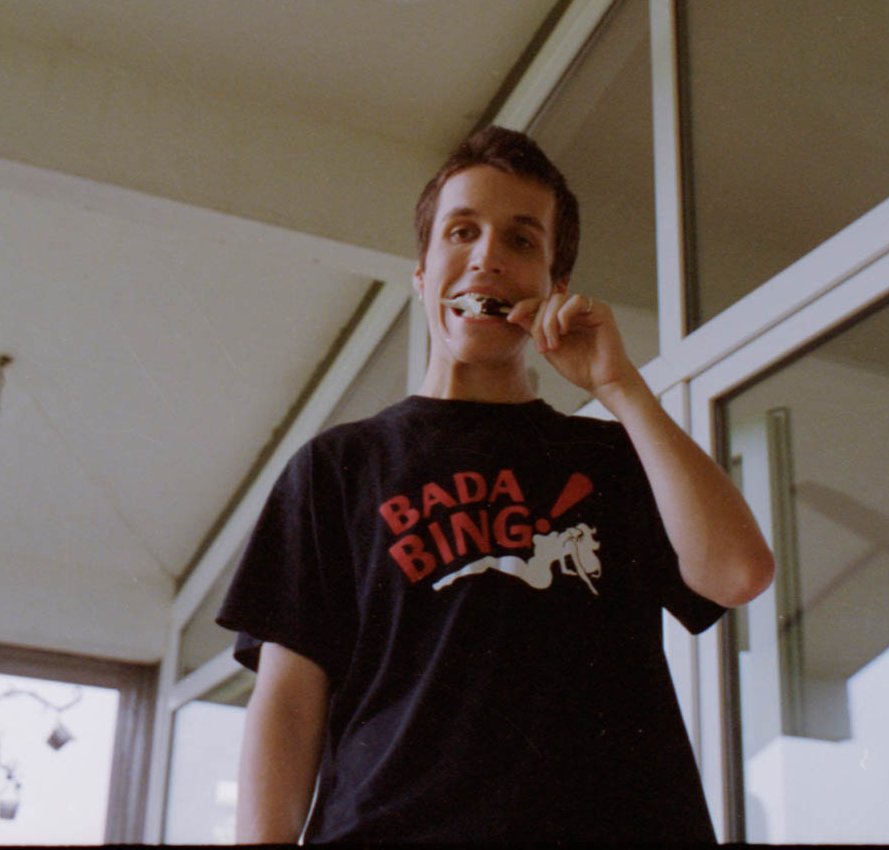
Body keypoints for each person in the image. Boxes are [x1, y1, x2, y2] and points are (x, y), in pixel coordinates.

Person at [217, 126, 775, 843]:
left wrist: (619, 386)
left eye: (520, 241)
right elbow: (288, 703)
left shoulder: (610, 458)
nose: (486, 256)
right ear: (422, 272)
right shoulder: (337, 469)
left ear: (553, 289)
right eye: (461, 232)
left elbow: (736, 572)